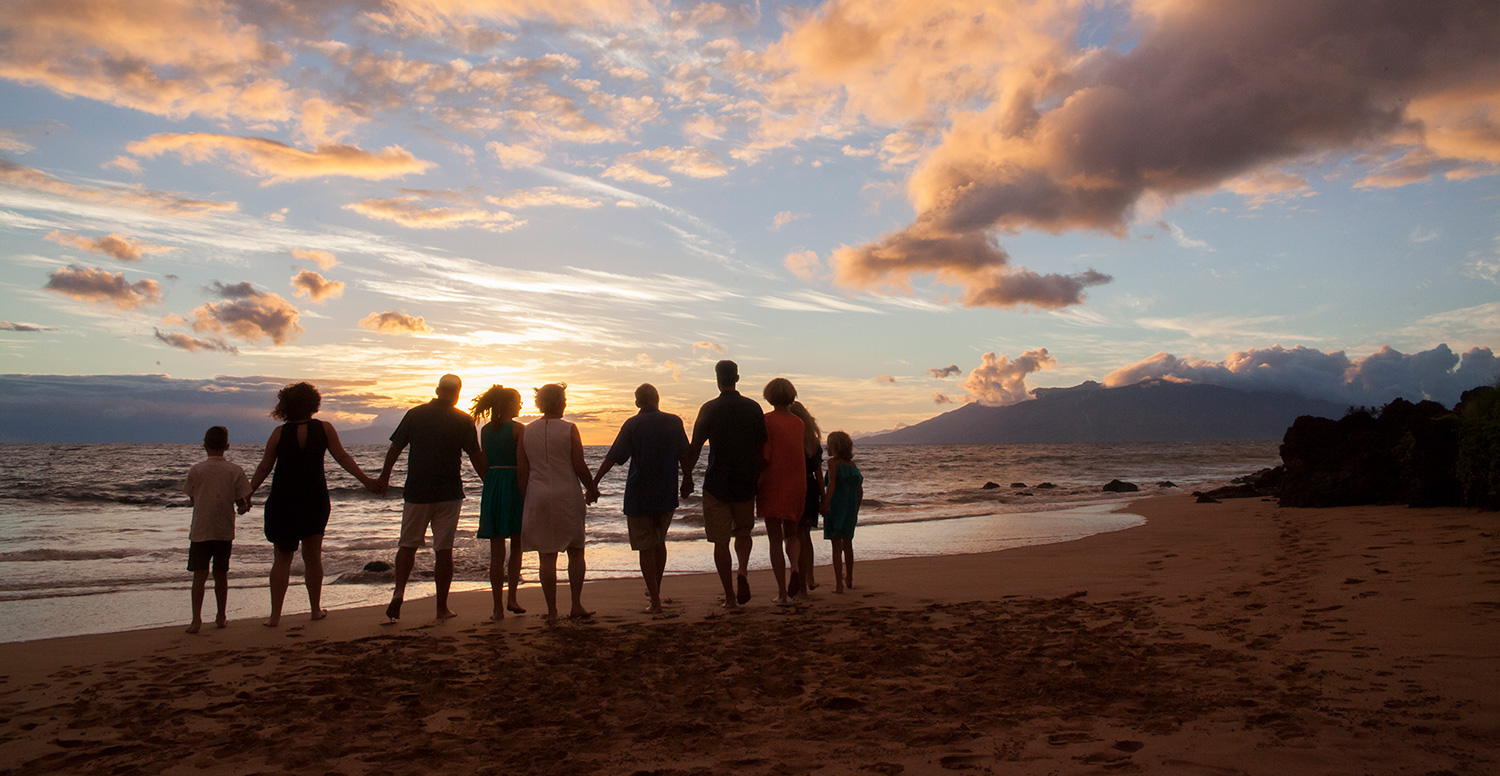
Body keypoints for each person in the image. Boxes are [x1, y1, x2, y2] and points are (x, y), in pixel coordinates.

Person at [249, 382, 381, 627]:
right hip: (314, 497)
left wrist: (247, 493)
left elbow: (265, 467)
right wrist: (366, 480)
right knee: (312, 556)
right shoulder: (325, 428)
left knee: (281, 558)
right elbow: (342, 457)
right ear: (313, 403)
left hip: (283, 499)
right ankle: (315, 610)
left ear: (286, 405)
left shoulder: (279, 433)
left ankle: (275, 616)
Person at [377, 374, 487, 621]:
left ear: (437, 390)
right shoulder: (463, 420)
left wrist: (384, 477)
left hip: (417, 491)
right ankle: (441, 608)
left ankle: (398, 592)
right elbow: (476, 456)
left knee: (407, 545)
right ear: (458, 393)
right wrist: (489, 483)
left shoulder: (415, 414)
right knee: (444, 550)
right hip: (448, 492)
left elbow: (395, 448)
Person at [592, 384, 691, 614]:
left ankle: (655, 599)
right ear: (658, 399)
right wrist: (687, 479)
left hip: (639, 493)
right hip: (666, 491)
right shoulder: (674, 421)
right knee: (659, 541)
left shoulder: (632, 424)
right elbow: (684, 454)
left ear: (637, 402)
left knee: (646, 547)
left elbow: (613, 457)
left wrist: (595, 483)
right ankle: (656, 588)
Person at [682, 360, 767, 608]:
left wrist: (687, 477)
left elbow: (695, 448)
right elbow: (762, 446)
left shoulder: (709, 409)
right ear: (737, 378)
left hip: (717, 481)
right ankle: (742, 570)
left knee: (720, 541)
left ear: (717, 379)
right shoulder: (753, 408)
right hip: (745, 481)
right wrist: (758, 474)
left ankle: (729, 596)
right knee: (743, 532)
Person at [518, 383, 599, 622]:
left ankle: (552, 610)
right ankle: (576, 604)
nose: (565, 403)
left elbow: (523, 471)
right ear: (559, 402)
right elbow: (579, 465)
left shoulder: (526, 431)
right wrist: (592, 488)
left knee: (546, 554)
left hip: (538, 494)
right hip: (566, 494)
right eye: (563, 399)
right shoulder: (570, 429)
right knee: (575, 550)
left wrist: (527, 497)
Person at [182, 425, 251, 633]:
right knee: (221, 574)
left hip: (201, 529)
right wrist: (244, 507)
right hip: (223, 530)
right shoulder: (235, 470)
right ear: (227, 446)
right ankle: (221, 616)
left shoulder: (196, 470)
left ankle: (196, 620)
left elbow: (193, 497)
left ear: (205, 446)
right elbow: (242, 501)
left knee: (199, 576)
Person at [472, 385, 527, 621]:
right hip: (514, 483)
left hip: (493, 484)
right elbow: (524, 464)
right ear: (509, 405)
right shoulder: (519, 430)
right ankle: (512, 597)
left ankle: (497, 607)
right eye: (518, 402)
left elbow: (484, 462)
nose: (520, 406)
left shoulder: (485, 431)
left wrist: (492, 483)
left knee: (497, 550)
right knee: (516, 545)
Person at [757, 378, 806, 604]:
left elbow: (765, 455)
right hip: (797, 482)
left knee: (774, 538)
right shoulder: (799, 423)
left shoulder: (767, 421)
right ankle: (795, 567)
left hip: (774, 482)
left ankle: (782, 593)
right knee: (792, 534)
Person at [820, 431, 864, 594]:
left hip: (836, 507)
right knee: (848, 544)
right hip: (850, 509)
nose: (826, 447)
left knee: (836, 547)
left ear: (836, 447)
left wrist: (825, 502)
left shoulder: (833, 463)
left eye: (829, 444)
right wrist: (856, 508)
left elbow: (831, 485)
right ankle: (850, 577)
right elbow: (859, 491)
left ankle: (839, 584)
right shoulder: (852, 466)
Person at [788, 401, 823, 593]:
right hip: (811, 487)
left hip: (795, 485)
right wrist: (823, 497)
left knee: (796, 535)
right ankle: (809, 578)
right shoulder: (813, 441)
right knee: (805, 535)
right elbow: (818, 470)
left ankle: (800, 581)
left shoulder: (793, 437)